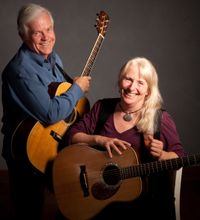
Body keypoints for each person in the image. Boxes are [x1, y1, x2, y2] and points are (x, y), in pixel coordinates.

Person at [65, 57, 186, 220]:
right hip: (98, 195)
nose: (132, 87)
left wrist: (162, 155)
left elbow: (180, 158)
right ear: (120, 81)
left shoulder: (161, 119)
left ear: (148, 91)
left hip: (141, 202)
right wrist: (100, 140)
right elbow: (73, 136)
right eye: (128, 79)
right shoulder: (102, 108)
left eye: (140, 83)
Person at [1, 3, 91, 220]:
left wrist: (74, 94)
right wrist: (77, 89)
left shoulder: (54, 59)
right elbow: (50, 113)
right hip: (26, 153)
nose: (46, 37)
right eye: (37, 32)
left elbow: (61, 98)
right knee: (29, 211)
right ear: (23, 35)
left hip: (52, 145)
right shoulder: (20, 71)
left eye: (49, 29)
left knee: (73, 202)